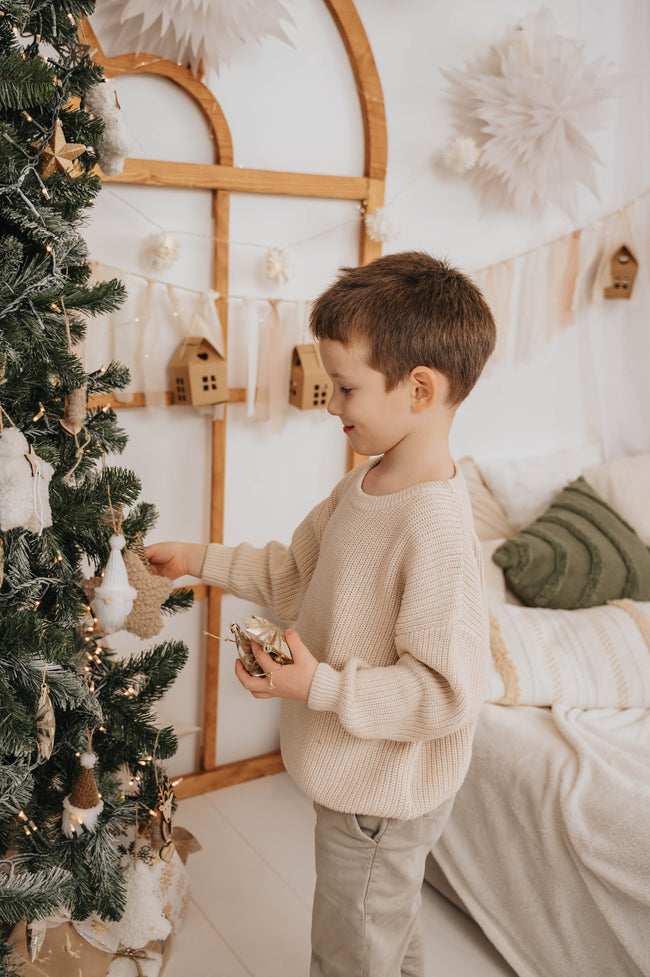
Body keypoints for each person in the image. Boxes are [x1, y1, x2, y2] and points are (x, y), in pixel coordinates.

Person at [147, 251, 497, 977]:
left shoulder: (432, 524)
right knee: (381, 926)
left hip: (383, 796)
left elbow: (444, 692)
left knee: (352, 945)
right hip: (359, 779)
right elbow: (291, 570)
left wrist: (321, 686)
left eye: (345, 388)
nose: (330, 405)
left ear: (419, 389)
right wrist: (199, 559)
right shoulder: (366, 483)